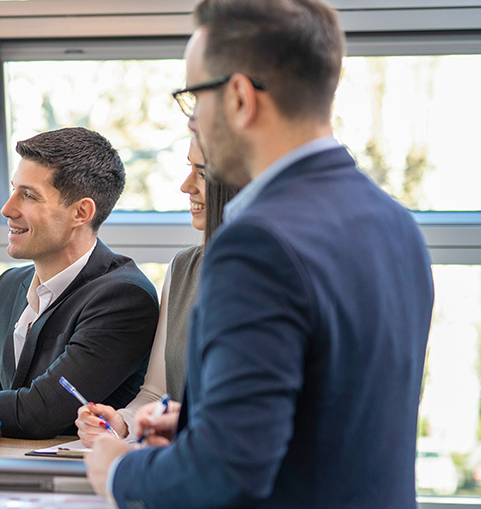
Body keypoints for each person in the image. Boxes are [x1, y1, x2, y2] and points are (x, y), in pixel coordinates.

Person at [84, 1, 433, 506]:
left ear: (240, 98)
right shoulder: (397, 225)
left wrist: (119, 470)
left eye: (194, 98)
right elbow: (344, 422)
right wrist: (202, 424)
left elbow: (226, 471)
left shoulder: (256, 243)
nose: (192, 122)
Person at [0, 127, 159, 439]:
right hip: (5, 461)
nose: (7, 209)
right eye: (14, 190)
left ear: (81, 212)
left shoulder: (124, 297)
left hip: (79, 467)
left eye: (29, 196)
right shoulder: (7, 288)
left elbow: (39, 412)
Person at [74, 138, 240, 445]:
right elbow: (155, 393)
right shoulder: (183, 268)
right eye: (189, 168)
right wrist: (122, 423)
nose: (186, 186)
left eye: (202, 173)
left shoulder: (273, 274)